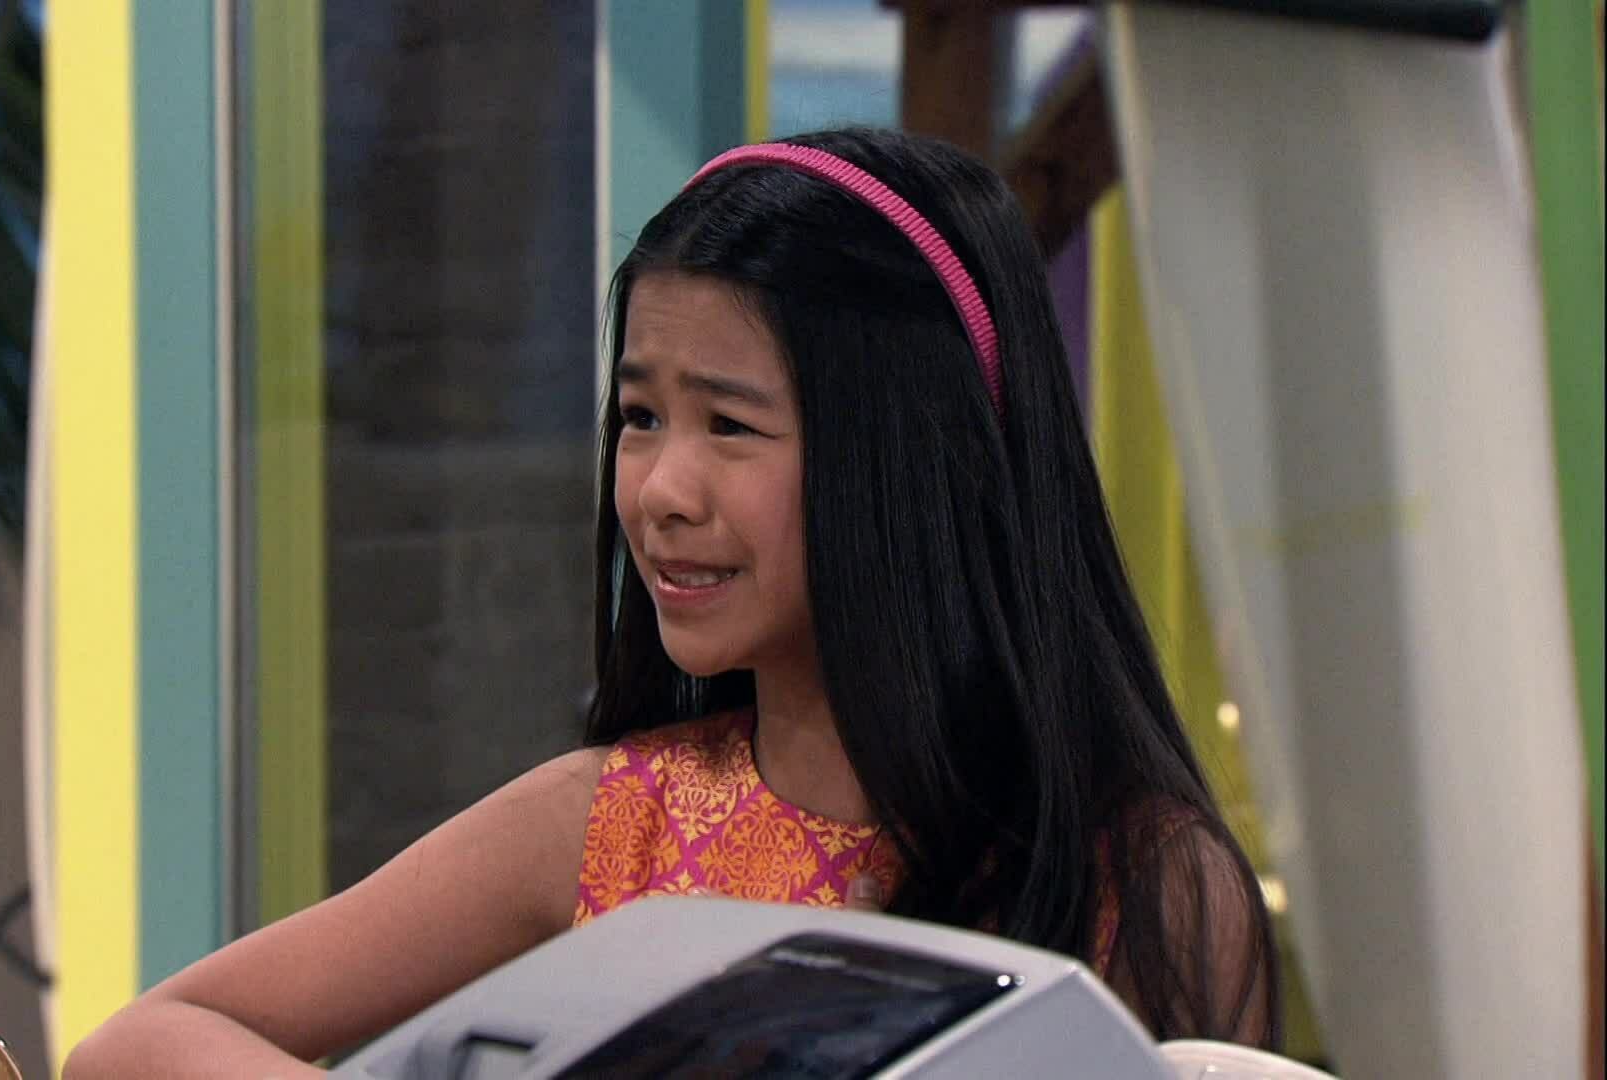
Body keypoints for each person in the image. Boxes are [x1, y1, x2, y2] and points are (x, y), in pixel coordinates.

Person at [64, 127, 1279, 1078]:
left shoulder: (1150, 886)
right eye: (641, 416)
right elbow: (139, 1047)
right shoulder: (608, 822)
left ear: (913, 459)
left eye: (729, 425)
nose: (658, 491)